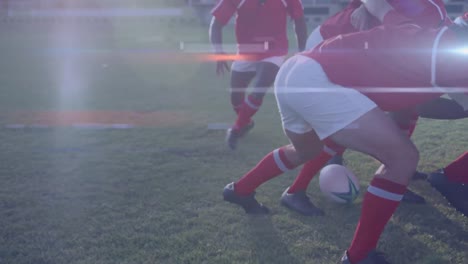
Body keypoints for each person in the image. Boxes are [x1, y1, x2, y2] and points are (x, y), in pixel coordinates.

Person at [222, 0, 468, 261]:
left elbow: (383, 11)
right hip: (317, 80)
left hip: (297, 70)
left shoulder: (427, 33)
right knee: (403, 158)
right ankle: (359, 255)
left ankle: (239, 190)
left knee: (308, 149)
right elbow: (435, 103)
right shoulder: (451, 54)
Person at [209, 0, 308, 150]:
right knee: (236, 98)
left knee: (258, 89)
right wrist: (218, 51)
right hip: (246, 52)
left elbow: (299, 21)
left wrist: (302, 51)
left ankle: (236, 129)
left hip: (274, 51)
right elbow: (216, 25)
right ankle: (246, 123)